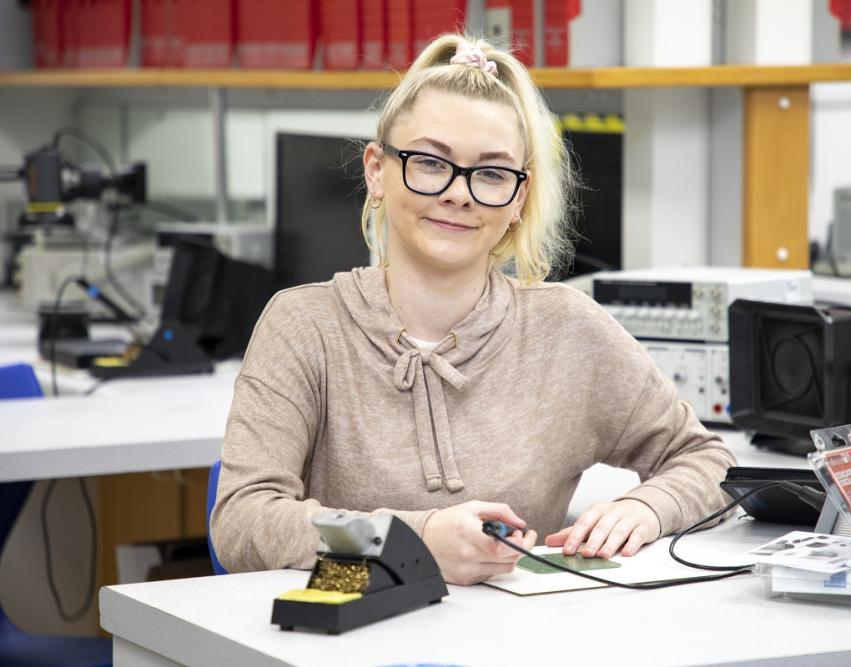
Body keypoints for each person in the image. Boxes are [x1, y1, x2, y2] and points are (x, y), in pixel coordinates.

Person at [212, 34, 736, 585]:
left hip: (515, 628)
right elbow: (243, 522)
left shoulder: (568, 329)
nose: (459, 194)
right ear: (376, 170)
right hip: (354, 621)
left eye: (491, 173)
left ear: (518, 198)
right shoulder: (304, 325)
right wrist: (411, 542)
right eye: (430, 162)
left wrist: (647, 508)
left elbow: (708, 461)